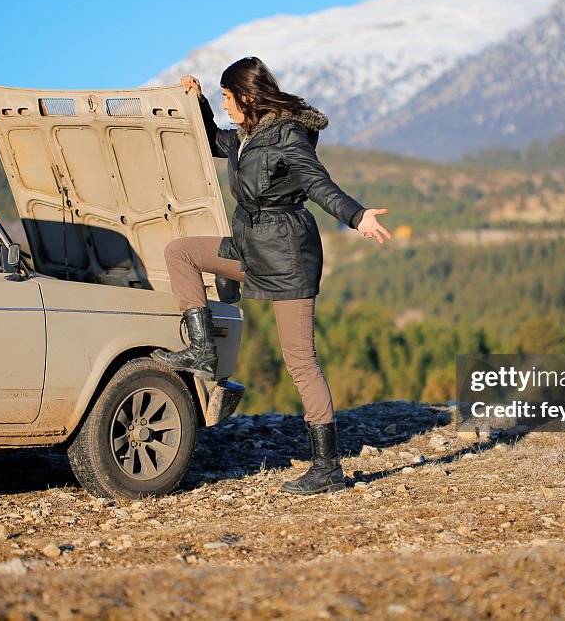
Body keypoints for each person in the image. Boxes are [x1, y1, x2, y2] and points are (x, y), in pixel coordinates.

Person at [153, 57, 391, 495]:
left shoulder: (287, 137)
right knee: (181, 252)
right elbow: (210, 140)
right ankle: (203, 350)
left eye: (227, 97)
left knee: (300, 360)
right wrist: (200, 100)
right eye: (221, 98)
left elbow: (319, 184)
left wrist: (357, 217)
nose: (226, 105)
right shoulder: (246, 138)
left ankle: (327, 468)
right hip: (250, 247)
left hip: (287, 256)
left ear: (247, 96)